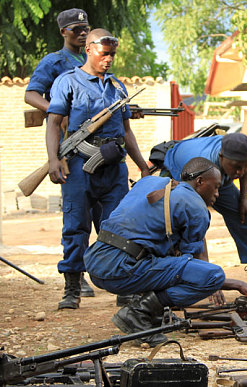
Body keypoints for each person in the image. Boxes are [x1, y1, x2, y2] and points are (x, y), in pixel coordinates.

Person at [83, 157, 247, 347]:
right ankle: (138, 314)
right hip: (121, 269)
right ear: (200, 182)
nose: (218, 194)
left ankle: (152, 314)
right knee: (213, 275)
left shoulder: (151, 182)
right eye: (215, 187)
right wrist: (239, 285)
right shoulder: (196, 207)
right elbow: (191, 267)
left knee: (167, 258)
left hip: (96, 262)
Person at [46, 29, 150, 310]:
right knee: (76, 226)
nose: (109, 60)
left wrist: (142, 165)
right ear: (90, 49)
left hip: (114, 167)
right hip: (79, 165)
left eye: (112, 55)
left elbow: (126, 131)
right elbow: (54, 123)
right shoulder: (67, 82)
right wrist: (54, 159)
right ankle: (72, 288)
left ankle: (122, 288)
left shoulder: (117, 87)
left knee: (118, 228)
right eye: (105, 54)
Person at [162, 133, 247, 300]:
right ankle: (181, 282)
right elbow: (198, 230)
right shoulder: (199, 170)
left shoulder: (237, 157)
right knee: (188, 226)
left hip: (216, 173)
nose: (240, 172)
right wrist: (209, 280)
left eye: (244, 166)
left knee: (244, 217)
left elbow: (243, 166)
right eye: (236, 167)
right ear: (221, 157)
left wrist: (244, 199)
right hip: (180, 172)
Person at [25, 8, 96, 298]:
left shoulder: (94, 59)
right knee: (76, 219)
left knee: (105, 218)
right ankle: (75, 280)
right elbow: (31, 94)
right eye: (75, 28)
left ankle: (102, 274)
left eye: (85, 28)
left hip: (97, 151)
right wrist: (57, 109)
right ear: (63, 32)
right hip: (72, 149)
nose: (82, 32)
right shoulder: (54, 62)